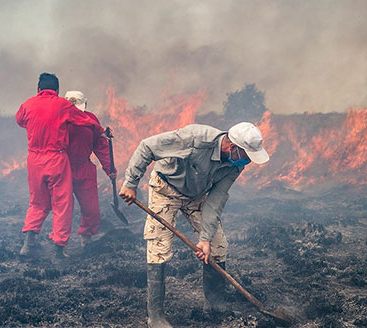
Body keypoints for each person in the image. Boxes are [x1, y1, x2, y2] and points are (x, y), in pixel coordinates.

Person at [119, 122, 269, 328]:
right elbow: (147, 146)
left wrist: (205, 239)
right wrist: (130, 183)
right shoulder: (196, 139)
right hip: (166, 189)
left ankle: (215, 305)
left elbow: (215, 199)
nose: (247, 161)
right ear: (233, 147)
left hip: (196, 196)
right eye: (246, 155)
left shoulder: (235, 166)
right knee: (159, 248)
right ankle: (156, 317)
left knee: (217, 246)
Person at [16, 73, 101, 259]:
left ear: (38, 89)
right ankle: (59, 248)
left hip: (34, 159)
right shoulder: (63, 105)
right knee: (62, 203)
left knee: (37, 202)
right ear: (57, 91)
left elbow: (20, 121)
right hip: (56, 158)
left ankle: (28, 244)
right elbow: (84, 120)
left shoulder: (26, 104)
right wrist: (101, 130)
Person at [64, 90, 116, 247]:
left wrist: (110, 169)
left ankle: (86, 237)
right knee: (64, 208)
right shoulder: (59, 119)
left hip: (84, 167)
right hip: (63, 168)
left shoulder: (91, 119)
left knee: (91, 207)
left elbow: (100, 146)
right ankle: (60, 243)